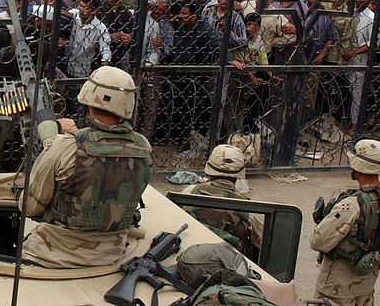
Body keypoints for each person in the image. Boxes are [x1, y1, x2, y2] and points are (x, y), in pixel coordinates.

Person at [22, 66, 151, 268]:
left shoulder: (67, 146)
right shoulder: (143, 148)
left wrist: (58, 144)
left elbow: (29, 207)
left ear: (89, 97)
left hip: (51, 256)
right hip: (110, 255)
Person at [311, 139, 380, 306]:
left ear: (358, 168)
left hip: (337, 288)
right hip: (365, 284)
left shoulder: (350, 206)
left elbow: (317, 242)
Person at [182, 145, 261, 259]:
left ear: (208, 170)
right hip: (228, 264)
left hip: (188, 258)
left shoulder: (188, 192)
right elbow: (264, 244)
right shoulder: (249, 210)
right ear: (239, 175)